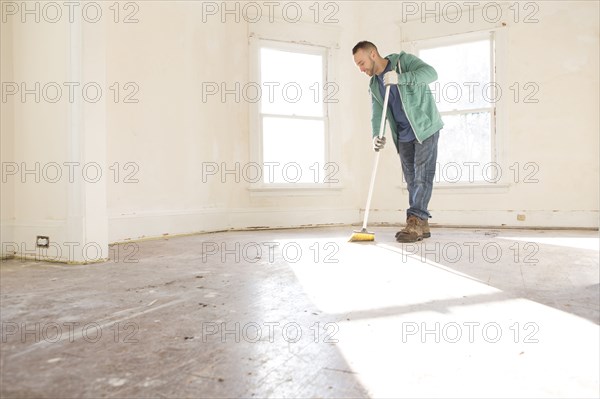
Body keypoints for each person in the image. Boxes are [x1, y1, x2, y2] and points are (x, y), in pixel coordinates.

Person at [352, 41, 443, 243]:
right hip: (402, 135)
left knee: (421, 177)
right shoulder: (375, 84)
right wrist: (376, 134)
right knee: (412, 180)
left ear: (373, 54)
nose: (361, 69)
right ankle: (421, 223)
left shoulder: (403, 62)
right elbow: (377, 113)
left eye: (361, 62)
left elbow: (431, 74)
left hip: (425, 127)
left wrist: (401, 78)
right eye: (358, 65)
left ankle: (414, 221)